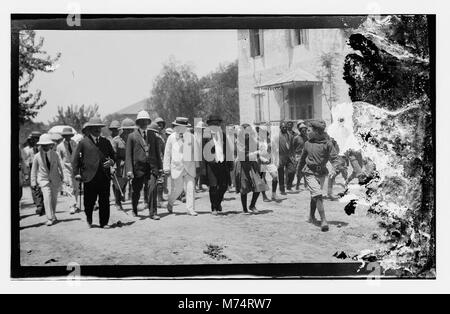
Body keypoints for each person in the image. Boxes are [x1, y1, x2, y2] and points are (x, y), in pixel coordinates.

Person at [72, 117, 116, 228]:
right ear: (90, 129)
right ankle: (89, 218)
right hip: (89, 177)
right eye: (95, 128)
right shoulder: (83, 142)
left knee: (104, 201)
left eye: (99, 128)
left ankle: (104, 222)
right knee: (89, 201)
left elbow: (113, 156)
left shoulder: (105, 142)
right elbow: (75, 159)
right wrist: (77, 173)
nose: (97, 130)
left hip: (104, 176)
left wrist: (111, 162)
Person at [298, 120, 339, 232]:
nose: (307, 132)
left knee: (314, 196)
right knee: (318, 194)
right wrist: (298, 174)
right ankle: (324, 220)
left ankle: (311, 217)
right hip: (309, 172)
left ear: (316, 131)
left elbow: (335, 159)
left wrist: (334, 169)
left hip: (321, 173)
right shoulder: (307, 143)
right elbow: (302, 159)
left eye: (309, 130)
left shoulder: (327, 144)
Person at [125, 110, 162, 219]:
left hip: (151, 167)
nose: (144, 123)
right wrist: (129, 170)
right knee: (136, 191)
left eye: (146, 121)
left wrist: (160, 168)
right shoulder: (132, 136)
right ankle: (134, 208)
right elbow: (128, 155)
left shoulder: (152, 135)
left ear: (148, 121)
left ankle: (153, 212)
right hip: (138, 169)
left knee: (152, 188)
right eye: (142, 121)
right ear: (138, 122)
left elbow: (157, 153)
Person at [163, 117, 198, 216]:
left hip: (189, 166)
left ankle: (190, 209)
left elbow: (195, 152)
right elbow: (167, 153)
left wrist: (198, 166)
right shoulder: (172, 137)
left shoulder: (191, 137)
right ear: (177, 127)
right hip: (177, 167)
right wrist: (166, 167)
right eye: (181, 127)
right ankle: (170, 202)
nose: (183, 129)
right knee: (178, 189)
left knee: (190, 187)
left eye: (185, 127)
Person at [30, 134, 64, 226]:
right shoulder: (37, 156)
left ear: (50, 145)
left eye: (46, 145)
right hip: (43, 180)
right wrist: (33, 182)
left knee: (53, 199)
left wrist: (63, 177)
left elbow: (61, 166)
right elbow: (33, 170)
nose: (44, 147)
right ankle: (50, 218)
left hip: (55, 179)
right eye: (43, 145)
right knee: (47, 198)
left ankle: (53, 215)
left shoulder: (55, 154)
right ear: (40, 145)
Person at [203, 115, 234, 215]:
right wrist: (203, 167)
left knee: (224, 186)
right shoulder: (206, 135)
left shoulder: (223, 134)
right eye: (214, 124)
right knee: (213, 186)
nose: (216, 125)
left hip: (222, 163)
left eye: (217, 123)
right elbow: (202, 151)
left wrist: (230, 162)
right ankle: (214, 208)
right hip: (211, 164)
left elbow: (228, 149)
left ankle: (218, 202)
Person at [235, 124, 268, 213]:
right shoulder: (239, 141)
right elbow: (243, 155)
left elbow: (258, 152)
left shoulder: (252, 140)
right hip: (243, 165)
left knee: (260, 184)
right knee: (244, 187)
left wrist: (262, 158)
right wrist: (256, 153)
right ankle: (245, 209)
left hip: (253, 163)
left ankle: (252, 205)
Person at [111, 118, 135, 211]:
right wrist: (113, 167)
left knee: (126, 183)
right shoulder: (116, 140)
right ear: (123, 130)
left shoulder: (134, 139)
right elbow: (112, 155)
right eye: (128, 129)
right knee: (118, 184)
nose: (130, 131)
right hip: (119, 165)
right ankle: (118, 203)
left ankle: (127, 199)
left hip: (130, 164)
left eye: (131, 129)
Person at [57, 127, 80, 214]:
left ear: (71, 135)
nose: (68, 137)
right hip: (66, 168)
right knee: (69, 186)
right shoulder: (60, 146)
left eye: (69, 135)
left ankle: (75, 204)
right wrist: (61, 171)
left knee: (76, 187)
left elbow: (78, 155)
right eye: (66, 135)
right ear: (63, 136)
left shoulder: (75, 143)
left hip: (75, 167)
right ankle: (71, 206)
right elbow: (59, 159)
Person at [23, 131, 46, 216]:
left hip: (41, 168)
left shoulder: (43, 147)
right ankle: (39, 205)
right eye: (33, 138)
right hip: (31, 168)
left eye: (36, 138)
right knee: (34, 187)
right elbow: (24, 160)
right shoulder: (26, 150)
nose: (34, 140)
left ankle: (42, 205)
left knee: (42, 187)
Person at [257, 124, 279, 202]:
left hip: (269, 162)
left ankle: (273, 194)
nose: (262, 133)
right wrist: (262, 159)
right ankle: (264, 196)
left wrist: (276, 161)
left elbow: (275, 151)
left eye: (264, 131)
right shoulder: (256, 141)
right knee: (262, 179)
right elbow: (257, 154)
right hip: (260, 162)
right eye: (260, 131)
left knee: (275, 177)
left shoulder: (270, 140)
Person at [273, 122, 295, 195]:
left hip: (288, 156)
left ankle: (289, 186)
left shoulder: (290, 136)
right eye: (283, 127)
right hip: (280, 156)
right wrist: (276, 158)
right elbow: (274, 147)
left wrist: (293, 156)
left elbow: (291, 147)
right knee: (281, 174)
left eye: (285, 127)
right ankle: (282, 189)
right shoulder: (277, 136)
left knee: (292, 171)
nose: (285, 128)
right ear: (280, 128)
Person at [148, 121, 166, 207]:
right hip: (148, 164)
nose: (160, 127)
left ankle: (159, 200)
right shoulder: (145, 138)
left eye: (161, 126)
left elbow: (163, 151)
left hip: (159, 162)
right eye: (158, 125)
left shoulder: (160, 139)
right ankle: (147, 201)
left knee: (160, 182)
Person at [293, 121, 309, 190]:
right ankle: (297, 185)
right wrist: (293, 157)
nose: (304, 131)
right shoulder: (296, 138)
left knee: (306, 171)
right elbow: (293, 148)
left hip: (306, 156)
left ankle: (306, 185)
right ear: (300, 130)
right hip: (298, 156)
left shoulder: (307, 138)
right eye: (302, 130)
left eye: (305, 130)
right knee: (299, 171)